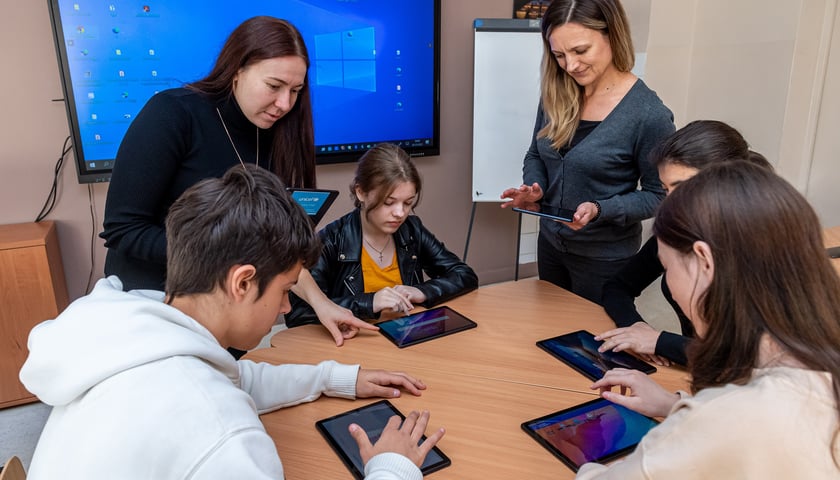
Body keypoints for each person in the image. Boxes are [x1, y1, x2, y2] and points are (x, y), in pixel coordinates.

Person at [20, 164, 445, 480]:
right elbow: (217, 400)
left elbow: (236, 378)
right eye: (284, 291)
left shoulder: (130, 330)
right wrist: (392, 469)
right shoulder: (220, 432)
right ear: (242, 282)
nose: (284, 309)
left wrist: (338, 378)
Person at [99, 16, 372, 346]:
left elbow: (276, 246)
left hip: (229, 312)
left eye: (295, 91)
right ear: (237, 69)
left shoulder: (277, 133)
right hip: (156, 307)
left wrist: (322, 304)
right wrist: (224, 258)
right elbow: (123, 228)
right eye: (274, 86)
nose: (285, 104)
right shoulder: (172, 114)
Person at [576, 161, 840, 478]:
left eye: (669, 267)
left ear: (704, 261)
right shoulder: (813, 364)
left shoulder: (734, 414)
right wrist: (674, 407)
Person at [500, 0, 674, 305]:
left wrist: (599, 209)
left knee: (593, 346)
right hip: (551, 244)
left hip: (604, 259)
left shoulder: (649, 114)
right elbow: (536, 154)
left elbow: (658, 196)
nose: (570, 66)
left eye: (580, 51)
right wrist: (535, 188)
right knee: (551, 331)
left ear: (612, 35)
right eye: (559, 55)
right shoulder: (556, 92)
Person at [596, 120, 772, 366]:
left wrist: (659, 342)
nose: (670, 204)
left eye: (682, 188)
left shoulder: (760, 246)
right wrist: (636, 327)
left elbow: (749, 356)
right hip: (699, 371)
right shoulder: (678, 229)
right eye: (666, 190)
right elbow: (618, 286)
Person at [286, 143, 478, 325]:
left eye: (408, 203)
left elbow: (465, 275)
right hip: (353, 344)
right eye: (389, 202)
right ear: (360, 192)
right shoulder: (332, 240)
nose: (400, 213)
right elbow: (298, 314)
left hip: (405, 336)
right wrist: (370, 302)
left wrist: (422, 291)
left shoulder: (411, 230)